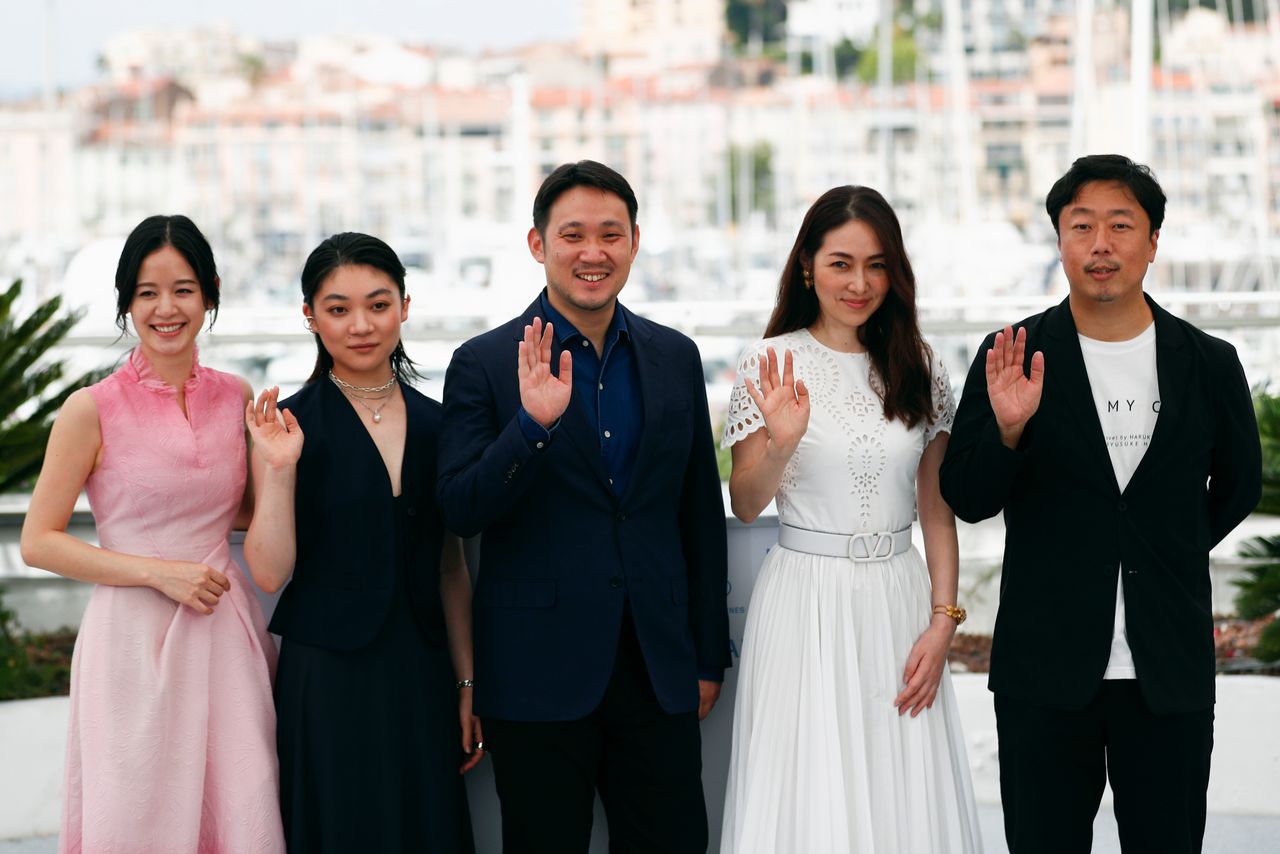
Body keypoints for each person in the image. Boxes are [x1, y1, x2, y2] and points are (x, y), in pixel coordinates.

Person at [940, 154, 1262, 853]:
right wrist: (1007, 431)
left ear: (1152, 241)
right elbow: (966, 497)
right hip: (1044, 673)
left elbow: (1240, 487)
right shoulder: (1012, 355)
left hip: (1167, 673)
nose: (1101, 244)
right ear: (1059, 241)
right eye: (1081, 225)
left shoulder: (1208, 362)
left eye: (1121, 224)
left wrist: (1160, 547)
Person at [437, 160, 730, 853]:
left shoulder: (675, 356)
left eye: (610, 234)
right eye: (572, 235)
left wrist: (707, 656)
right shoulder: (482, 362)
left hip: (658, 668)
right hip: (536, 672)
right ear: (538, 244)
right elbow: (459, 509)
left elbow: (697, 514)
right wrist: (531, 428)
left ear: (634, 241)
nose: (592, 253)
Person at [718, 185, 983, 853]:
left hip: (898, 596)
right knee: (809, 787)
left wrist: (942, 621)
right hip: (804, 600)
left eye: (875, 264)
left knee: (903, 784)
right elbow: (746, 502)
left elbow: (937, 509)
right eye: (841, 263)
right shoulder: (771, 361)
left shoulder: (921, 367)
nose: (859, 283)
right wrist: (780, 441)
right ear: (807, 264)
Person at [19, 215, 285, 852]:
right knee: (138, 818)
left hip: (225, 634)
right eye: (146, 293)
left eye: (184, 289)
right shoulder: (91, 408)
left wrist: (281, 465)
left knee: (242, 807)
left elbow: (245, 513)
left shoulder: (237, 396)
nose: (166, 308)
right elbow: (37, 540)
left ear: (211, 293)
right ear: (126, 303)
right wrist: (155, 571)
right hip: (131, 645)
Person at [242, 232, 479, 853]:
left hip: (421, 668)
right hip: (328, 675)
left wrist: (466, 684)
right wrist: (280, 468)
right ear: (309, 316)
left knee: (426, 829)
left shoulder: (440, 422)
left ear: (405, 305)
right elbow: (268, 573)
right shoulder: (286, 425)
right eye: (338, 309)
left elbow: (450, 566)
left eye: (378, 304)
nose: (361, 325)